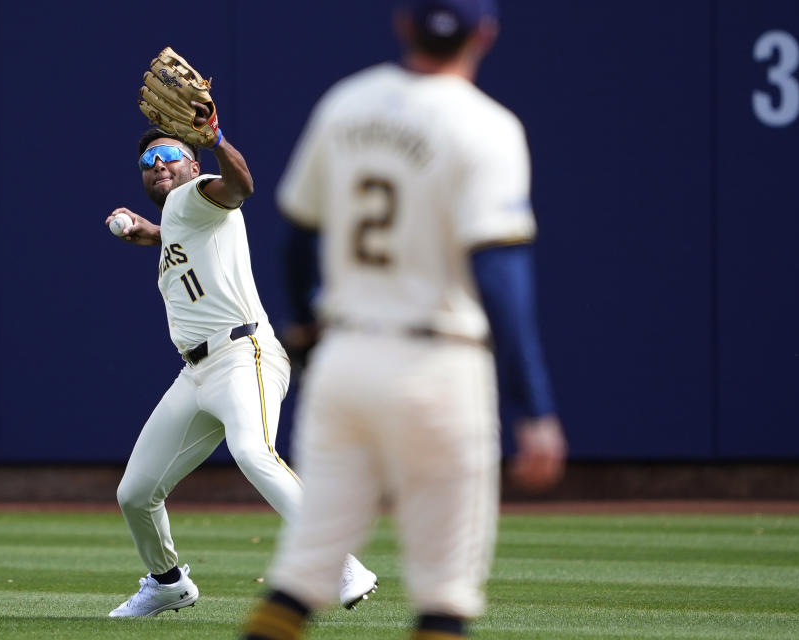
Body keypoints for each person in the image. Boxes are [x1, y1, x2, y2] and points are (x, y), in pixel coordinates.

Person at [242, 1, 567, 638]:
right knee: (444, 596)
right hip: (438, 365)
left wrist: (306, 331)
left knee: (300, 580)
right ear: (486, 33)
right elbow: (500, 277)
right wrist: (535, 407)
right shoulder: (487, 125)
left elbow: (296, 241)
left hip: (346, 361)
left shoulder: (346, 104)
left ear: (402, 24)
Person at [103, 102, 377, 617]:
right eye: (147, 161)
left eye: (169, 154)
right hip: (197, 373)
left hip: (242, 353)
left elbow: (240, 187)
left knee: (253, 452)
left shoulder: (194, 193)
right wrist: (153, 235)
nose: (158, 164)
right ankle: (167, 583)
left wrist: (214, 138)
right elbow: (191, 238)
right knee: (136, 492)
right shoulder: (179, 220)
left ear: (189, 165)